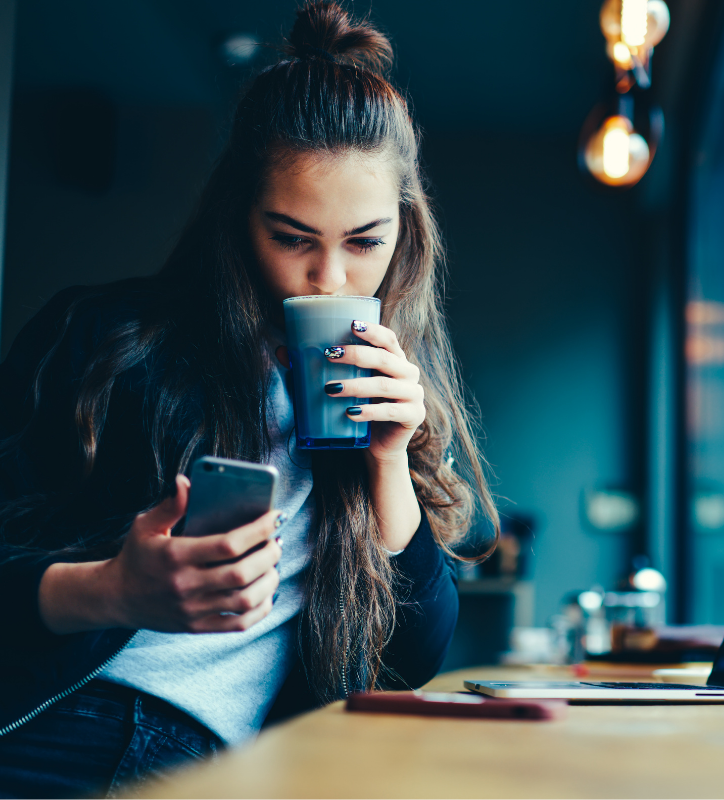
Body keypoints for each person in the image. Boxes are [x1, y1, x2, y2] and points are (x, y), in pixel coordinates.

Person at [0, 3, 497, 796]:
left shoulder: (389, 398)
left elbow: (408, 661)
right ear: (239, 221)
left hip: (225, 766)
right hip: (51, 730)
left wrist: (389, 462)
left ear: (404, 231)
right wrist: (111, 589)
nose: (328, 279)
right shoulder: (100, 338)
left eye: (364, 241)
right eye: (293, 237)